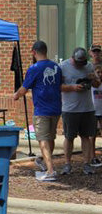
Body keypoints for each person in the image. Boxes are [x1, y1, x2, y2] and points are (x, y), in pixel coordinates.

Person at [13, 41, 62, 181]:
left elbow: (24, 88)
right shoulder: (56, 66)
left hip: (42, 109)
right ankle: (47, 165)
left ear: (34, 52)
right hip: (56, 108)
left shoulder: (34, 68)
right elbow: (60, 85)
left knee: (42, 140)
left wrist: (16, 95)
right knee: (50, 138)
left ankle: (51, 171)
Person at [59, 47, 101, 175]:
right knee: (69, 137)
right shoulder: (63, 66)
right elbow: (58, 86)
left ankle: (87, 164)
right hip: (70, 109)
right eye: (79, 63)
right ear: (73, 58)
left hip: (87, 108)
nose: (81, 65)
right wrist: (72, 87)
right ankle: (67, 164)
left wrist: (93, 78)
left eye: (83, 62)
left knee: (86, 136)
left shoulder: (88, 66)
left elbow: (97, 85)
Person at [89, 45, 102, 166]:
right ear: (90, 53)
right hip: (92, 106)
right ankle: (93, 157)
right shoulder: (88, 68)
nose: (96, 54)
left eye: (98, 52)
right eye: (94, 52)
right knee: (92, 133)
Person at [92, 65, 102, 165]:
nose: (99, 74)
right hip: (93, 111)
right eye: (97, 72)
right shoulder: (93, 84)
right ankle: (93, 156)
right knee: (92, 135)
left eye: (101, 72)